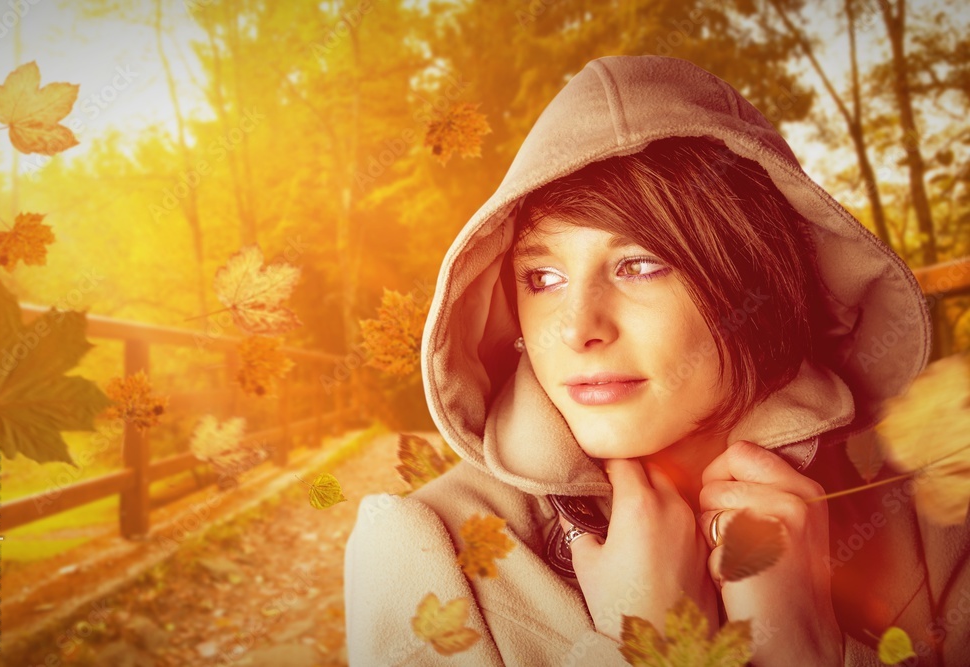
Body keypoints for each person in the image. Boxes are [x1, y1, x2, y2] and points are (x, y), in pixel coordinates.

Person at [344, 54, 963, 666]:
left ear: (761, 282)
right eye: (543, 276)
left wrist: (807, 649)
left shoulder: (930, 516)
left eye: (639, 265)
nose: (578, 329)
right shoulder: (423, 549)